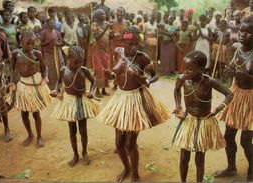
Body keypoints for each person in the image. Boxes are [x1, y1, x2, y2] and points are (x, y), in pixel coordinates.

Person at [98, 25, 170, 182]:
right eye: (130, 44)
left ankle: (135, 173)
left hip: (136, 100)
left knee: (130, 144)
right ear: (123, 42)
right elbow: (114, 74)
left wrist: (145, 80)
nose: (134, 47)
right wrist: (109, 75)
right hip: (121, 100)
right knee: (119, 144)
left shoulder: (142, 57)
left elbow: (155, 76)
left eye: (136, 44)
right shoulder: (118, 53)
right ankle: (127, 169)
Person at [172, 50, 233, 183]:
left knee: (199, 159)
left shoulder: (209, 82)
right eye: (184, 68)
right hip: (188, 121)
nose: (185, 71)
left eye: (189, 69)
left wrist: (218, 108)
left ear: (201, 69)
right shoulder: (182, 79)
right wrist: (178, 106)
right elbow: (176, 90)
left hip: (204, 123)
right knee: (184, 157)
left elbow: (229, 94)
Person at [214, 15, 253, 182]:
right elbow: (231, 67)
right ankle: (231, 168)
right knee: (229, 135)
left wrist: (246, 75)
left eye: (248, 32)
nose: (243, 34)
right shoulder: (237, 48)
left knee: (245, 140)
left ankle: (252, 170)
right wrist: (229, 71)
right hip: (236, 95)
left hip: (251, 99)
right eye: (241, 31)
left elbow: (245, 76)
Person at [50, 46, 99, 167]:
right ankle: (75, 154)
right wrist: (56, 90)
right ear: (68, 58)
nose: (78, 64)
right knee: (72, 130)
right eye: (76, 62)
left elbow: (94, 82)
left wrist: (92, 92)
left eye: (80, 62)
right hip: (69, 102)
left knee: (83, 130)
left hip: (81, 101)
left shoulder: (84, 70)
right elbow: (58, 81)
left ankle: (84, 152)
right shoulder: (63, 70)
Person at [9, 29, 51, 148]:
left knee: (36, 113)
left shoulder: (37, 53)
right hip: (23, 85)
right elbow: (12, 69)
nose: (31, 46)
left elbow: (45, 67)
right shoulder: (15, 53)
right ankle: (30, 135)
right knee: (24, 113)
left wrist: (45, 76)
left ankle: (39, 136)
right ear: (21, 41)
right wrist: (12, 81)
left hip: (34, 84)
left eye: (33, 43)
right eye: (28, 43)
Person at [0, 15, 13, 143]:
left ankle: (7, 129)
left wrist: (3, 66)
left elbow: (7, 56)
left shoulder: (1, 37)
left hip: (0, 76)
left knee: (2, 102)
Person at [91, 9, 111, 97]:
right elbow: (97, 38)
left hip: (105, 50)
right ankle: (97, 91)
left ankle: (103, 89)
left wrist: (113, 35)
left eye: (104, 14)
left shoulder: (106, 24)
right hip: (97, 50)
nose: (104, 15)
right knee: (99, 70)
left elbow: (108, 37)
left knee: (106, 69)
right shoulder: (94, 25)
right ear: (98, 16)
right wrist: (105, 29)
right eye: (102, 14)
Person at [41, 18, 64, 90]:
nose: (53, 24)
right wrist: (49, 42)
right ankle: (51, 87)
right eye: (51, 23)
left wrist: (57, 43)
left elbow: (61, 41)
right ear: (47, 24)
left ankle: (59, 86)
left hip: (57, 52)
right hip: (48, 53)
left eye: (54, 23)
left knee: (59, 67)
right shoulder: (44, 32)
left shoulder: (57, 32)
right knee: (50, 69)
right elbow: (41, 43)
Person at [110, 7, 128, 90]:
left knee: (122, 64)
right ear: (116, 13)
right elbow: (109, 35)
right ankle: (115, 83)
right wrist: (113, 35)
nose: (120, 13)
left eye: (122, 11)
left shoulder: (126, 22)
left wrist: (124, 36)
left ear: (124, 13)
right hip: (114, 46)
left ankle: (120, 82)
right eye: (118, 11)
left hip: (123, 45)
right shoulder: (112, 22)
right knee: (114, 64)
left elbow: (129, 35)